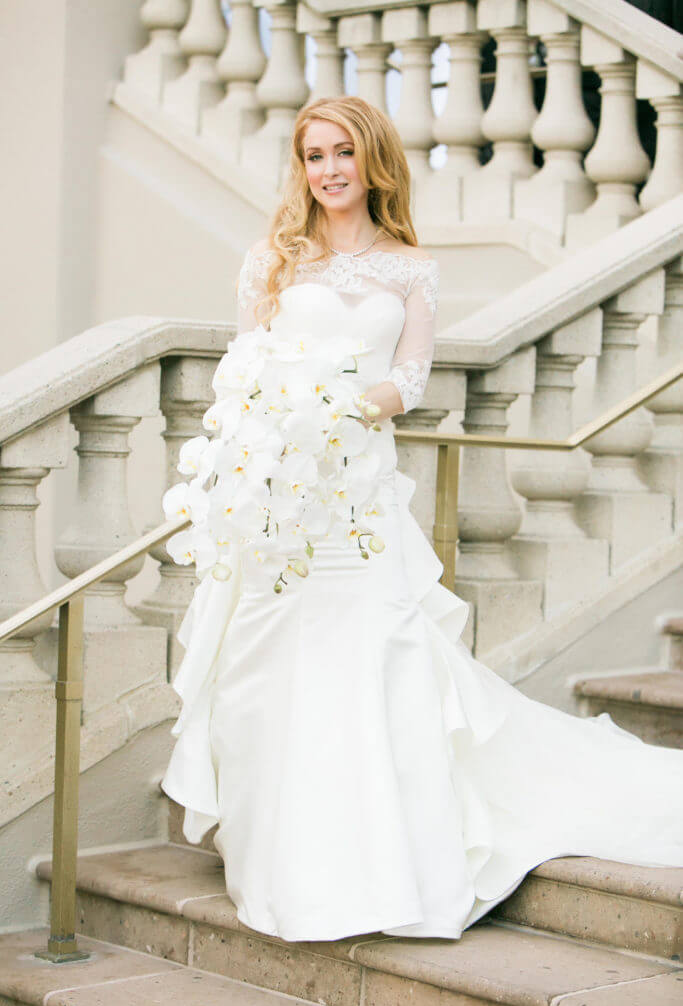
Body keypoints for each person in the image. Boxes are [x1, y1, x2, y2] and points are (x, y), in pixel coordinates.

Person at [160, 96, 683, 944]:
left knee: (376, 664)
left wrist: (337, 407)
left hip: (356, 499)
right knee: (270, 668)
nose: (327, 170)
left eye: (341, 153)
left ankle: (379, 867)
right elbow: (242, 371)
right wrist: (266, 437)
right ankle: (282, 859)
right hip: (282, 505)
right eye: (313, 155)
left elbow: (412, 378)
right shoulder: (272, 262)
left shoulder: (408, 268)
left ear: (372, 162)